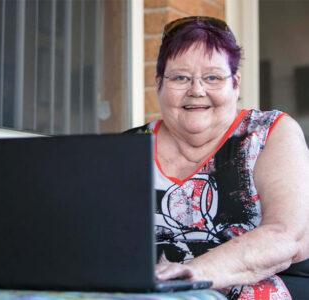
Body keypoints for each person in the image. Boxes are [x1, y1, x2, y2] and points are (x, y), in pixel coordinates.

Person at [126, 16, 309, 299]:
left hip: (259, 286)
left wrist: (189, 275)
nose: (196, 90)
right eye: (180, 77)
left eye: (212, 77)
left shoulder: (269, 133)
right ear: (159, 83)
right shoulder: (129, 146)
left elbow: (286, 235)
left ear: (235, 83)